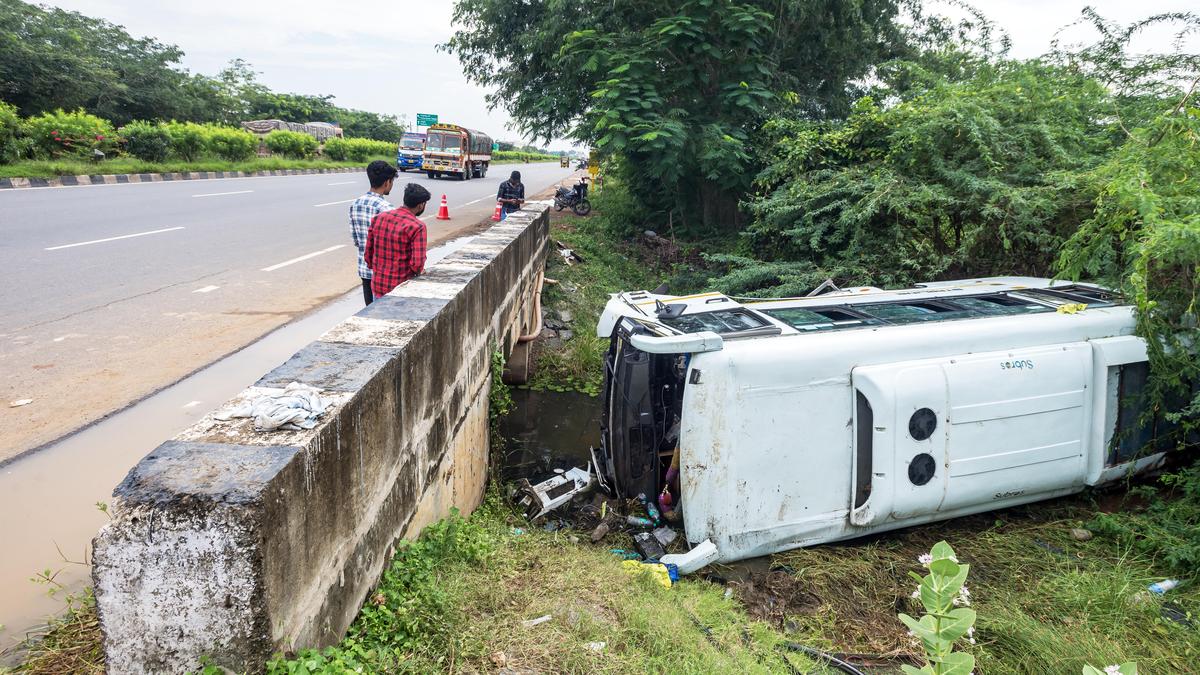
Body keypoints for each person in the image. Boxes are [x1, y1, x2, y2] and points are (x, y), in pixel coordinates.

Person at [365, 183, 430, 299]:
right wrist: (420, 270)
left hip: (378, 286)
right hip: (400, 289)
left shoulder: (378, 218)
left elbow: (368, 254)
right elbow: (417, 264)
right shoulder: (417, 227)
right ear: (421, 205)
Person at [349, 160, 397, 305]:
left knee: (368, 309)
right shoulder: (387, 209)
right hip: (382, 274)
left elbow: (355, 240)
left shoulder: (355, 204)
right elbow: (392, 246)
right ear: (387, 182)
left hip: (364, 269)